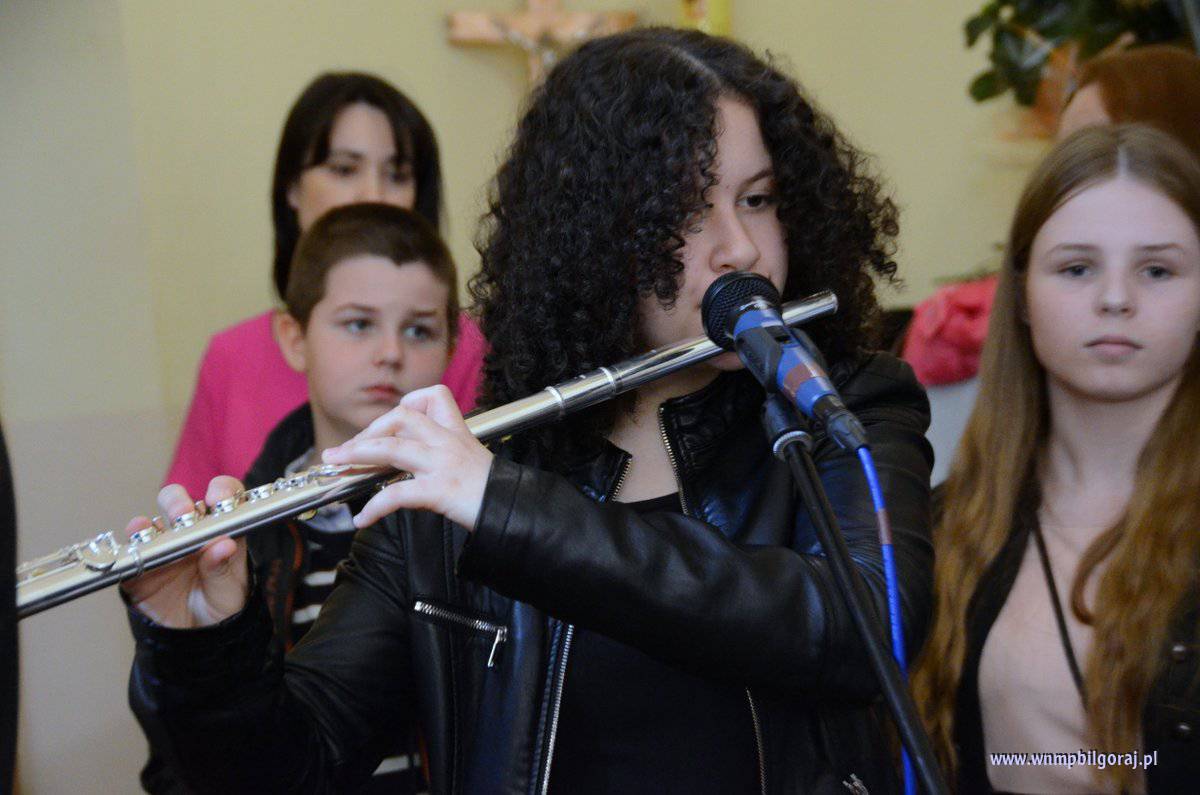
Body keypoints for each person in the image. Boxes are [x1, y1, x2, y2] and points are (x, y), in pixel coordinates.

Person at [122, 28, 934, 794]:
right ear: (592, 234)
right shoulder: (464, 481)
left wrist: (508, 511)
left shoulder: (844, 405)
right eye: (687, 210)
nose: (742, 248)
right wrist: (203, 647)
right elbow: (300, 763)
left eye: (756, 199)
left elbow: (861, 628)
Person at [912, 124, 1200, 793]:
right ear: (1021, 296)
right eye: (1077, 268)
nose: (1116, 299)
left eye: (1157, 270)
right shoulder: (939, 528)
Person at [137, 203, 456, 793]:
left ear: (451, 347)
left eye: (419, 330)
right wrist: (194, 645)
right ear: (294, 338)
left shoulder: (467, 515)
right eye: (358, 324)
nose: (391, 352)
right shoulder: (245, 530)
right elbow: (190, 768)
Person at [163, 72, 486, 499]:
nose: (373, 194)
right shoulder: (231, 356)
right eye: (344, 169)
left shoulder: (467, 347)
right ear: (292, 189)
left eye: (397, 174)